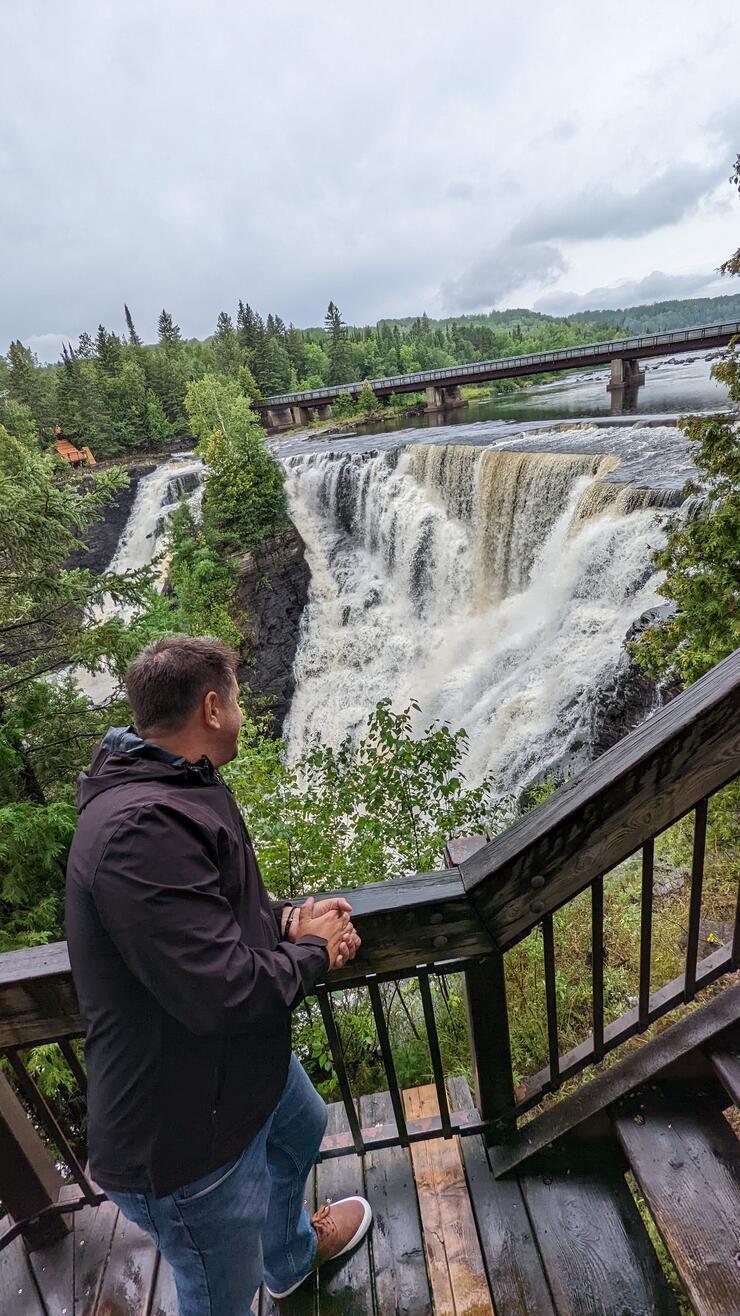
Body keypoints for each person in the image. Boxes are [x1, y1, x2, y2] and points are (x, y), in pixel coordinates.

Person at [65, 635, 372, 1314]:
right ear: (211, 706)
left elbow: (212, 906)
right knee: (220, 1295)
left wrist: (288, 921)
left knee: (300, 1127)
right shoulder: (138, 830)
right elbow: (221, 991)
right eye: (236, 698)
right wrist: (317, 952)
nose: (241, 710)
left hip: (232, 1079)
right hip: (181, 1140)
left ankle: (289, 1257)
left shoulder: (174, 782)